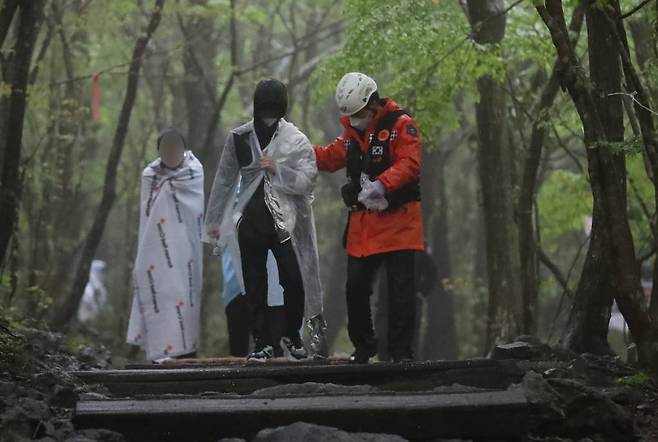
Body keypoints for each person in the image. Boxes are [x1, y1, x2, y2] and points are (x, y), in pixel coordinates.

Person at [205, 78, 323, 363]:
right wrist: (215, 220)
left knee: (292, 280)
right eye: (265, 108)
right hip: (250, 221)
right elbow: (224, 180)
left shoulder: (295, 140)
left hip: (284, 223)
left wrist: (278, 170)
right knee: (254, 285)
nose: (269, 114)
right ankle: (261, 343)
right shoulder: (239, 138)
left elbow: (308, 180)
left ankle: (292, 335)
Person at [313, 72, 424, 364]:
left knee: (400, 291)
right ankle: (364, 346)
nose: (354, 119)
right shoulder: (351, 135)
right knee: (356, 287)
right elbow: (327, 158)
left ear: (373, 104)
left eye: (359, 113)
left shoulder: (401, 125)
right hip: (364, 227)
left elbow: (409, 163)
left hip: (400, 222)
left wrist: (383, 184)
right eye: (350, 115)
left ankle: (401, 354)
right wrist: (295, 152)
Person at [127, 128, 204, 362]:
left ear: (184, 149)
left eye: (175, 147)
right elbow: (147, 218)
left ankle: (188, 354)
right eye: (166, 148)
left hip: (186, 256)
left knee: (185, 301)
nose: (171, 152)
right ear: (159, 151)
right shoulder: (149, 176)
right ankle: (159, 356)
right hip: (155, 254)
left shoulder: (195, 172)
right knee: (160, 297)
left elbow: (195, 214)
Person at [220, 250, 286, 358]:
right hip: (235, 284)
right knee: (238, 351)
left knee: (274, 350)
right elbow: (214, 237)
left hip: (270, 286)